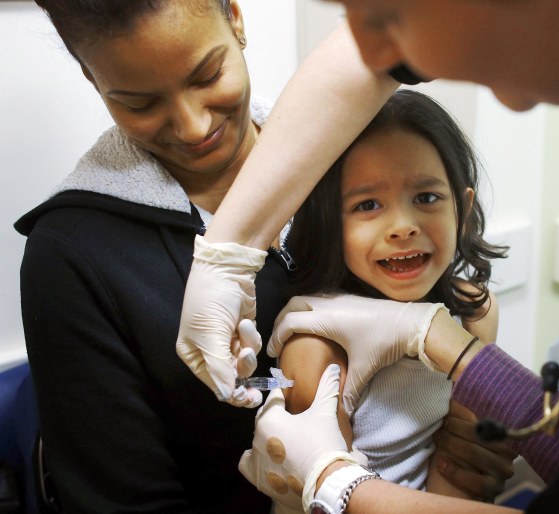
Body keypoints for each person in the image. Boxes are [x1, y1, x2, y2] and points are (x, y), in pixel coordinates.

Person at [204, 0, 559, 513]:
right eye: (367, 205)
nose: (377, 59)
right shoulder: (316, 340)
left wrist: (337, 485)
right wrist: (225, 249)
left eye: (390, 13)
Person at [16, 1, 512, 510]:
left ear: (235, 17)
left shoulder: (353, 158)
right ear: (90, 77)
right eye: (139, 104)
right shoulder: (72, 256)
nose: (191, 126)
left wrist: (460, 448)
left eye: (208, 75)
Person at [240, 90, 529, 512]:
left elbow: (459, 468)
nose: (402, 226)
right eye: (368, 204)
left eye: (427, 198)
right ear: (330, 223)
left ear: (463, 210)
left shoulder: (473, 311)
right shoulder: (316, 345)